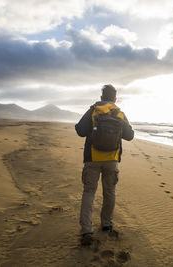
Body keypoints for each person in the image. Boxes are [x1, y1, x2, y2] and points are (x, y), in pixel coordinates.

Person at [75, 84, 134, 240]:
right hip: (112, 159)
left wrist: (93, 129)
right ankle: (106, 225)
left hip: (92, 158)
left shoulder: (94, 110)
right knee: (110, 192)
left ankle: (87, 230)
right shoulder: (119, 113)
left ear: (101, 98)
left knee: (89, 193)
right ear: (115, 99)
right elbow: (130, 136)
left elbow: (80, 130)